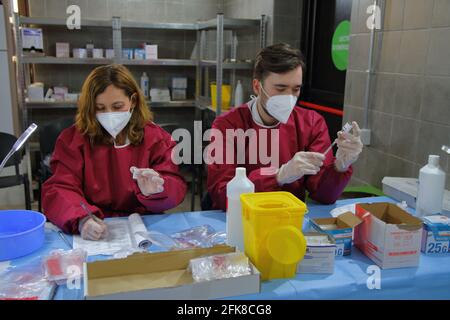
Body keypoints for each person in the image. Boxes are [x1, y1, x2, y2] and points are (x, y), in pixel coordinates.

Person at [207, 43, 363, 210]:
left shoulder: (311, 123)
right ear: (257, 86)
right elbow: (222, 193)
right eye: (280, 88)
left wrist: (340, 166)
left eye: (295, 89)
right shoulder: (228, 125)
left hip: (290, 218)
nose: (289, 97)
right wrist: (278, 176)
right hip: (243, 219)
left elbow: (323, 196)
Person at [42, 64, 187, 240]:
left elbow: (174, 183)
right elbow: (60, 188)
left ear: (133, 101)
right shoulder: (73, 140)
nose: (109, 114)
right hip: (95, 223)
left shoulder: (156, 138)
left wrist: (157, 189)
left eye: (117, 106)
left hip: (144, 224)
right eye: (100, 108)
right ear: (90, 107)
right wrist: (81, 219)